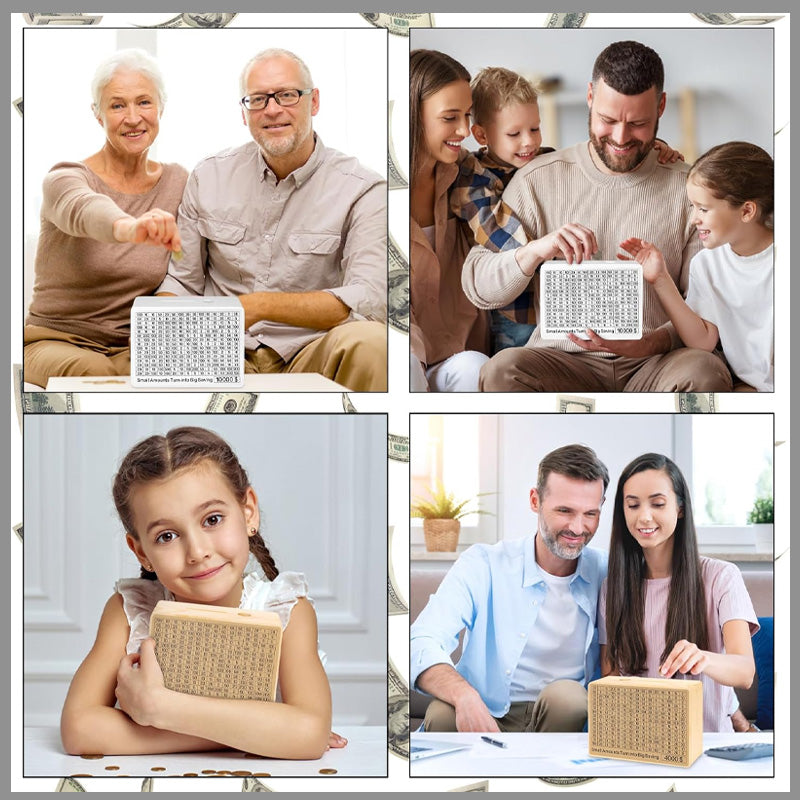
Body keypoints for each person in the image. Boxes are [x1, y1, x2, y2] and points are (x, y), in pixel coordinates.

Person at [461, 40, 733, 392]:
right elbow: (478, 286)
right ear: (590, 97)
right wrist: (536, 251)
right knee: (502, 370)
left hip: (656, 362)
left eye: (638, 123)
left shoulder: (689, 190)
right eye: (608, 120)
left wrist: (648, 343)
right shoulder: (535, 178)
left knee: (705, 371)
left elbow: (706, 310)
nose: (620, 137)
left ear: (661, 107)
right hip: (561, 362)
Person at [60, 426, 345, 758]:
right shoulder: (129, 612)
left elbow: (309, 735)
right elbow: (79, 729)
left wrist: (161, 709)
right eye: (167, 536)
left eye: (212, 519)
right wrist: (255, 733)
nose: (197, 551)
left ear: (248, 511)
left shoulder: (287, 612)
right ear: (141, 552)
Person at [157, 48, 387, 392]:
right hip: (221, 354)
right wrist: (159, 325)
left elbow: (368, 298)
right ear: (244, 112)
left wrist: (259, 306)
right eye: (258, 99)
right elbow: (182, 282)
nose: (273, 109)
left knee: (374, 343)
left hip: (311, 351)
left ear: (315, 102)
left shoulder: (363, 189)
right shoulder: (209, 176)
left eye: (287, 95)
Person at [451, 65, 683, 354]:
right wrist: (543, 249)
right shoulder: (474, 184)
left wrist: (654, 147)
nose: (530, 142)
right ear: (482, 135)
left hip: (550, 306)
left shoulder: (542, 161)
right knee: (515, 360)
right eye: (514, 134)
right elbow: (500, 240)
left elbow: (592, 158)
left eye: (535, 129)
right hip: (515, 310)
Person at [410, 444, 609, 733]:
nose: (578, 528)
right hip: (487, 713)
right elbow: (422, 639)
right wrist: (464, 695)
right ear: (535, 500)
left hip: (565, 718)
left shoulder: (608, 571)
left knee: (568, 699)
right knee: (442, 713)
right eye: (564, 511)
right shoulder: (483, 564)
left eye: (590, 514)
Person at [23, 49, 186, 388]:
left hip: (131, 348)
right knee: (101, 378)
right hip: (57, 341)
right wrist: (129, 227)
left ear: (161, 108)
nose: (132, 117)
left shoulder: (177, 183)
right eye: (117, 105)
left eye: (144, 102)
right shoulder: (66, 177)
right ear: (98, 115)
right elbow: (85, 209)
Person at [599, 453, 758, 732]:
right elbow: (610, 678)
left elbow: (744, 672)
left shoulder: (721, 577)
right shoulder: (612, 588)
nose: (644, 516)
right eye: (632, 505)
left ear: (680, 508)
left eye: (658, 504)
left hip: (709, 747)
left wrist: (704, 658)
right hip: (642, 747)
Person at [617, 142, 774, 391]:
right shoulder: (707, 263)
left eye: (703, 208)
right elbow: (703, 340)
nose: (693, 219)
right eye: (693, 207)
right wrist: (660, 279)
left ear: (746, 211)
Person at [409, 49, 490, 392]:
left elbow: (528, 156)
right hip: (406, 353)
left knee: (476, 369)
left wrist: (654, 150)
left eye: (468, 115)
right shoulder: (376, 191)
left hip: (456, 351)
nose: (464, 130)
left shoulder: (466, 173)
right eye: (450, 117)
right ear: (415, 116)